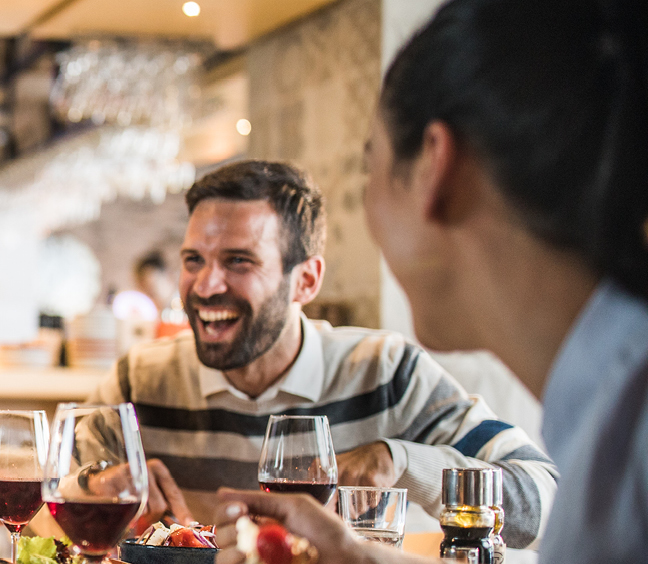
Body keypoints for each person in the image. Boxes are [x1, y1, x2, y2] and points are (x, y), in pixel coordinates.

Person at [213, 0, 647, 562]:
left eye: (370, 167)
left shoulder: (626, 443)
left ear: (435, 168)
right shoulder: (608, 403)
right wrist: (361, 554)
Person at [94, 160, 556, 546]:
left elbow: (545, 499)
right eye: (194, 260)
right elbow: (66, 481)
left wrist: (403, 462)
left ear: (307, 281)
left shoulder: (388, 374)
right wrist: (100, 485)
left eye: (239, 261)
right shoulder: (140, 379)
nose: (206, 285)